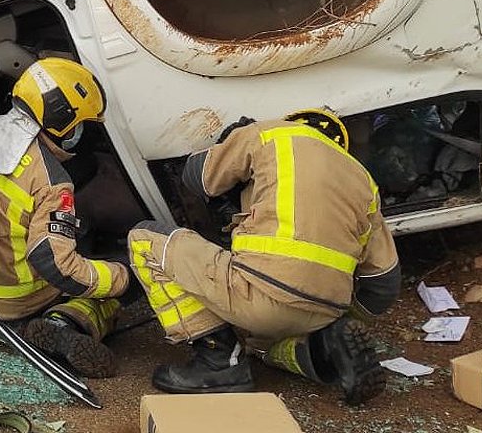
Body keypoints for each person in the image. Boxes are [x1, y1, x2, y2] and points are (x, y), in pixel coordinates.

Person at [127, 109, 400, 404]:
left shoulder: (271, 133)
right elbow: (383, 283)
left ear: (292, 122)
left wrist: (230, 142)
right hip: (325, 311)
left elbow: (198, 178)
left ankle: (218, 362)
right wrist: (344, 316)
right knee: (261, 343)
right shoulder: (364, 182)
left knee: (144, 239)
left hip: (259, 295)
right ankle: (322, 346)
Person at [0, 57, 131, 378]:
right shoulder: (51, 181)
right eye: (80, 125)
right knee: (111, 289)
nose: (81, 134)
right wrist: (120, 277)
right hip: (17, 300)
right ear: (62, 121)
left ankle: (54, 323)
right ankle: (64, 321)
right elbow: (54, 264)